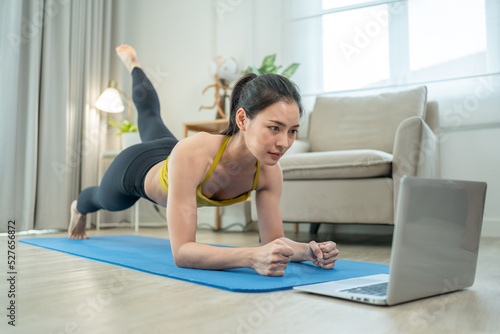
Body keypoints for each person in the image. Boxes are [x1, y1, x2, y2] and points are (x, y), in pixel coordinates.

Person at [69, 45, 339, 277]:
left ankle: (134, 65)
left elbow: (273, 242)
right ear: (243, 119)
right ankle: (77, 208)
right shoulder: (194, 152)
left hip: (172, 154)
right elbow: (183, 252)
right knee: (104, 198)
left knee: (151, 118)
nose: (285, 142)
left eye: (293, 131)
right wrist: (250, 257)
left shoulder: (269, 172)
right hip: (138, 168)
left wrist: (309, 250)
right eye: (275, 128)